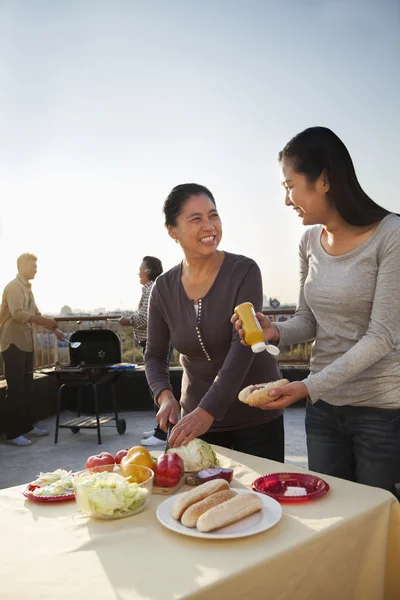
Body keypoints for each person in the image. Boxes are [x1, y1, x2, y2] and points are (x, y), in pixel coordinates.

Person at [233, 126, 400, 495]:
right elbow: (309, 319)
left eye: (289, 186)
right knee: (332, 514)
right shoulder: (309, 240)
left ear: (323, 179)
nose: (287, 199)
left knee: (379, 524)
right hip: (324, 411)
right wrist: (274, 331)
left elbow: (382, 336)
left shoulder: (392, 235)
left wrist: (307, 387)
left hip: (379, 412)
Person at [144, 183, 284, 460]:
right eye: (196, 219)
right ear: (172, 231)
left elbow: (243, 346)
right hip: (195, 418)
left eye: (213, 215)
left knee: (262, 500)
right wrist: (165, 396)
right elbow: (155, 354)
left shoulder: (244, 271)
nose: (209, 226)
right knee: (202, 497)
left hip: (255, 414)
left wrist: (207, 411)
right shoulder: (162, 288)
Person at [0, 253, 64, 446]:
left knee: (27, 387)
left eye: (36, 266)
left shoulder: (28, 289)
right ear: (21, 266)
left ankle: (26, 426)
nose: (35, 269)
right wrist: (42, 321)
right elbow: (18, 314)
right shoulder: (14, 287)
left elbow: (35, 313)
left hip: (26, 344)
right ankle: (12, 433)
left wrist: (54, 329)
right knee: (16, 389)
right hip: (13, 343)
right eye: (32, 266)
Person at [119, 255, 167, 446]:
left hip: (154, 344)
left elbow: (145, 318)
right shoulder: (154, 288)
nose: (138, 272)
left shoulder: (151, 289)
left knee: (159, 386)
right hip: (154, 342)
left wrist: (127, 320)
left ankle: (163, 433)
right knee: (156, 387)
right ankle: (160, 428)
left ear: (146, 272)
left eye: (140, 268)